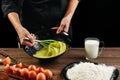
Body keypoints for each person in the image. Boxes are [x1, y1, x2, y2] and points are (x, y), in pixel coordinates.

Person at [1, 0, 79, 47]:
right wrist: (19, 28)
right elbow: (9, 2)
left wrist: (68, 17)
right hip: (30, 34)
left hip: (60, 29)